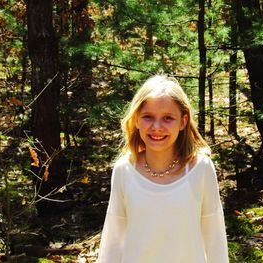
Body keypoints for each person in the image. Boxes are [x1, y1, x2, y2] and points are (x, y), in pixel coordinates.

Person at [97, 75, 229, 263]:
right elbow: (113, 239)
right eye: (148, 117)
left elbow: (214, 237)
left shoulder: (200, 168)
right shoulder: (125, 170)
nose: (157, 127)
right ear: (136, 119)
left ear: (183, 121)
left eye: (168, 118)